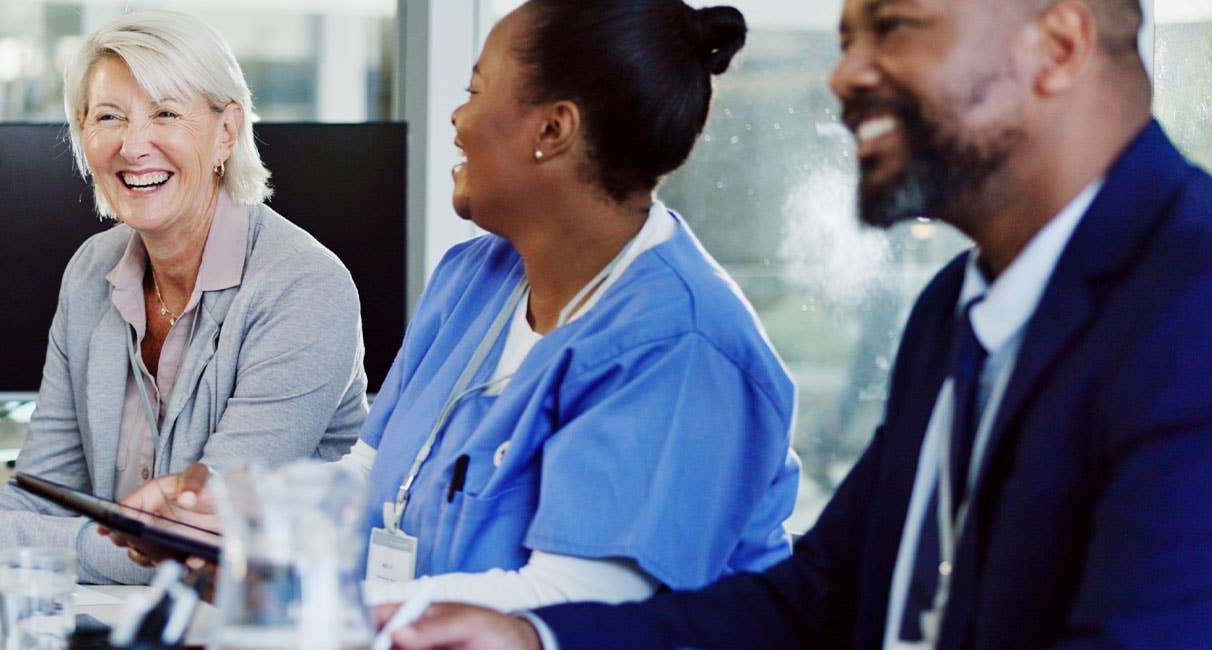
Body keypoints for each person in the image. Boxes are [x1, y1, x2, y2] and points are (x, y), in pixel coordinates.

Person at [382, 0, 1212, 648]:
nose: (844, 75)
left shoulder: (1190, 308)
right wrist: (536, 638)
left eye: (894, 27)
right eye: (847, 37)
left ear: (1058, 46)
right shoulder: (956, 308)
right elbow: (823, 597)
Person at [116, 0, 801, 613]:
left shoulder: (678, 346)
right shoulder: (475, 277)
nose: (456, 115)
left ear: (554, 129)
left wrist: (307, 594)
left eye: (475, 90)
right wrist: (233, 526)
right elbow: (371, 477)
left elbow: (572, 603)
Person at [0, 10, 370, 584]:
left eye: (165, 113)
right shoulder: (94, 270)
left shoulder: (303, 288)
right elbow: (46, 493)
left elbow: (197, 542)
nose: (133, 145)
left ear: (227, 131)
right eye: (108, 117)